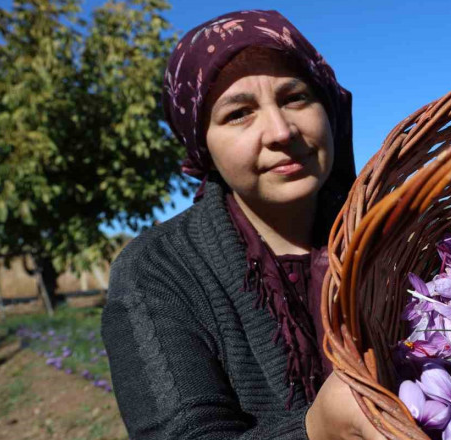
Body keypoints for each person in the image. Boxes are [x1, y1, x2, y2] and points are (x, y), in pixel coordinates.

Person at [101, 10, 381, 440]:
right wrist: (315, 429)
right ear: (202, 145)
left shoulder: (387, 236)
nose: (280, 130)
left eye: (295, 98)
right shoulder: (156, 271)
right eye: (238, 114)